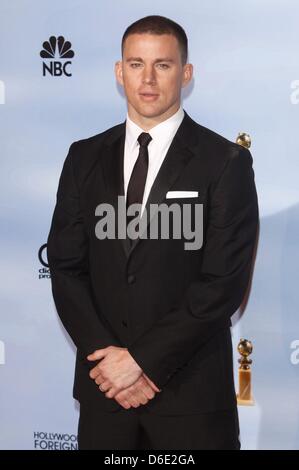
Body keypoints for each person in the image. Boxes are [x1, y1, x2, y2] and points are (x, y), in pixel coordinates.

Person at [47, 15, 259, 450]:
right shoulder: (82, 158)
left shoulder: (224, 163)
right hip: (105, 398)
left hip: (191, 401)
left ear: (186, 73)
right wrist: (111, 364)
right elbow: (66, 268)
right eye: (135, 63)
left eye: (162, 65)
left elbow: (222, 285)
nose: (147, 79)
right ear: (118, 71)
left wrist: (141, 363)